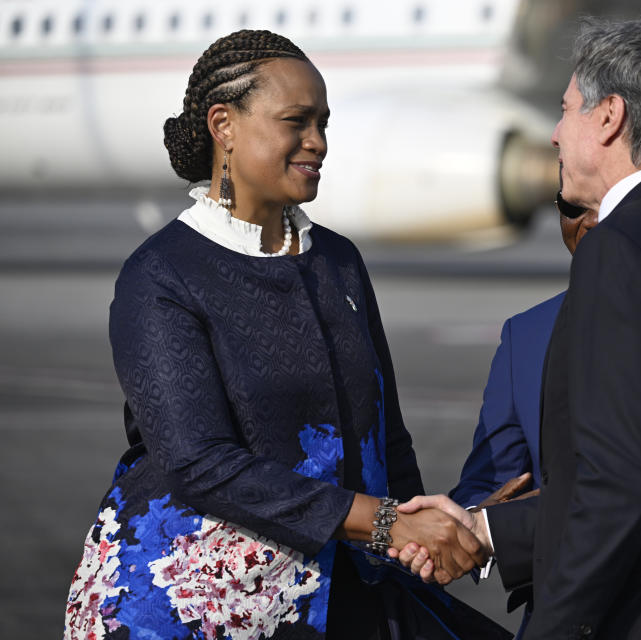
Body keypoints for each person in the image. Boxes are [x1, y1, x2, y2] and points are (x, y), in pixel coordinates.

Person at [62, 30, 509, 640]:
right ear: (224, 125)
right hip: (200, 604)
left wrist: (421, 536)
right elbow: (201, 463)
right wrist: (384, 524)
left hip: (353, 575)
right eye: (296, 122)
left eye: (324, 122)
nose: (318, 143)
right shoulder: (160, 275)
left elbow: (385, 434)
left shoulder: (340, 261)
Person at [395, 16, 641, 639]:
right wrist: (487, 530)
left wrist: (554, 627)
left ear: (609, 117)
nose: (554, 134)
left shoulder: (620, 249)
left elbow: (619, 480)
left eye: (565, 111)